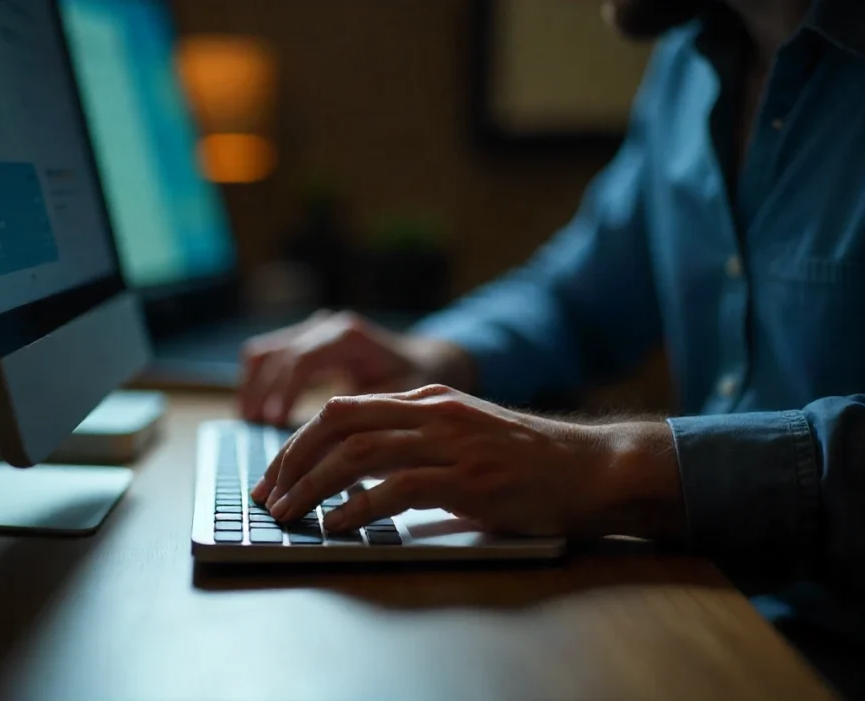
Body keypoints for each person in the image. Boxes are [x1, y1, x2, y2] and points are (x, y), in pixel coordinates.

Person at [242, 0, 864, 692]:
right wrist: (433, 357)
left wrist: (606, 466)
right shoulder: (691, 60)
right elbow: (581, 297)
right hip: (720, 612)